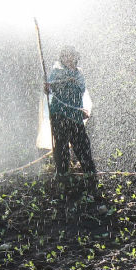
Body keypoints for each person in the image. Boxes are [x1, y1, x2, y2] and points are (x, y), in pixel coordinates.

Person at [45, 46, 96, 178]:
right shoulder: (56, 72)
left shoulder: (78, 73)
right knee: (61, 144)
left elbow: (81, 89)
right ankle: (62, 173)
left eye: (71, 56)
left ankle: (90, 172)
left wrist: (82, 110)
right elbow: (49, 88)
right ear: (62, 58)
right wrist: (48, 87)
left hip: (75, 114)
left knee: (82, 143)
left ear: (76, 57)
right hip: (59, 113)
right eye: (66, 56)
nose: (69, 59)